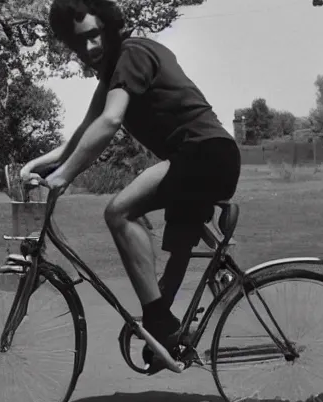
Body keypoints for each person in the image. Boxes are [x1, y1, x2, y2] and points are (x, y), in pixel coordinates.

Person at [20, 0, 241, 373]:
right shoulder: (112, 73)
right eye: (79, 43)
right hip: (201, 160)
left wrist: (66, 175)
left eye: (93, 35)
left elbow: (109, 121)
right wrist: (38, 164)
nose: (88, 49)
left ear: (108, 26)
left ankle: (158, 324)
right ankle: (167, 343)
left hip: (204, 154)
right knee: (174, 261)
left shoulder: (132, 54)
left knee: (119, 211)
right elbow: (83, 133)